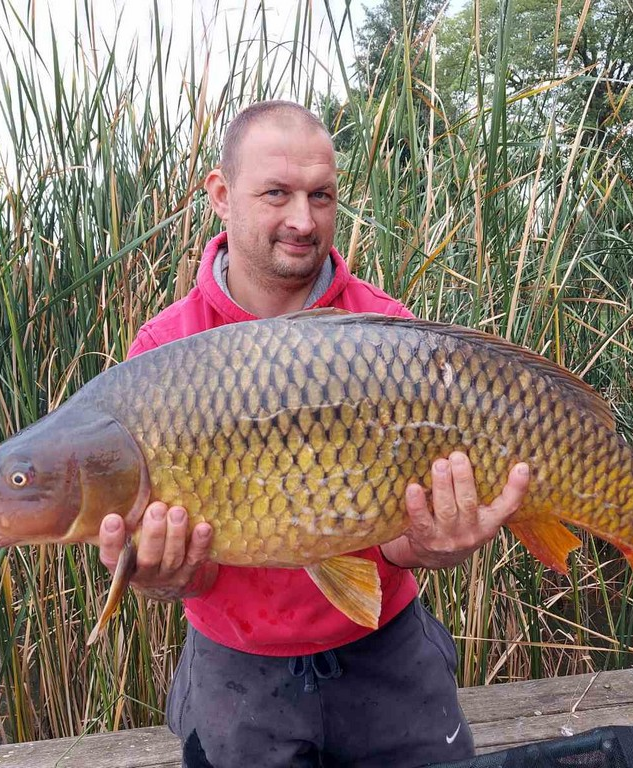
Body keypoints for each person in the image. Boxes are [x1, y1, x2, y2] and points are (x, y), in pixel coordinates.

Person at [99, 100, 531, 768]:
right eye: (276, 193)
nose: (303, 220)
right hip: (236, 664)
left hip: (382, 644)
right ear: (221, 195)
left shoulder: (388, 333)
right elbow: (196, 570)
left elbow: (397, 539)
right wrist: (161, 576)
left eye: (321, 195)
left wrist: (431, 544)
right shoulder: (163, 353)